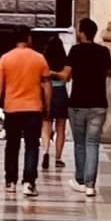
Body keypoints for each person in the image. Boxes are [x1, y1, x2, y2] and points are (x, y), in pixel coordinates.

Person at [0, 23, 51, 197]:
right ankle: (29, 182)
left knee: (12, 145)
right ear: (28, 38)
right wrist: (48, 105)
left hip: (12, 108)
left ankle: (10, 181)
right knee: (32, 145)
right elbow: (47, 85)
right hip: (33, 108)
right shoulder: (39, 58)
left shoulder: (5, 58)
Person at [63, 16, 111, 195]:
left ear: (82, 33)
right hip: (99, 103)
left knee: (80, 143)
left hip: (78, 103)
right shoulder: (103, 51)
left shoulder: (75, 51)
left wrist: (52, 73)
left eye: (78, 30)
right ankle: (91, 185)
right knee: (92, 143)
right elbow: (110, 73)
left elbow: (66, 75)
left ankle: (80, 179)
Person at [41, 31, 70, 174]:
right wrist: (57, 75)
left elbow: (41, 77)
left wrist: (49, 74)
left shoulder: (42, 61)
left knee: (46, 124)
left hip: (46, 93)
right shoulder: (65, 61)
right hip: (61, 93)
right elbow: (67, 77)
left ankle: (46, 151)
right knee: (61, 128)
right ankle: (58, 158)